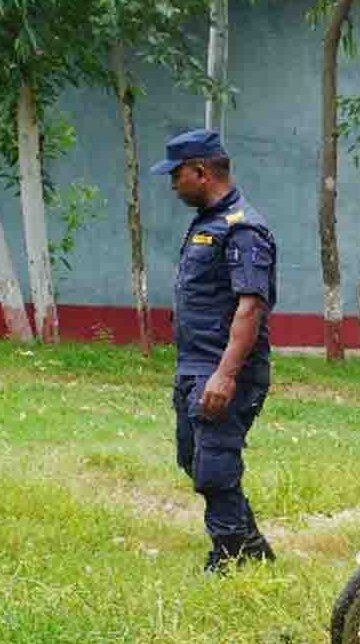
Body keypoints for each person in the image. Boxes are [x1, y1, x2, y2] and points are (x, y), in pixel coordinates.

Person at [156, 129, 277, 573]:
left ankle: (227, 561)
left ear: (201, 172)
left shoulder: (243, 228)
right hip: (195, 364)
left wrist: (225, 376)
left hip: (226, 368)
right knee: (192, 457)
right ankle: (253, 547)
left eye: (177, 175)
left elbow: (250, 308)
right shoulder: (207, 223)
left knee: (215, 466)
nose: (172, 184)